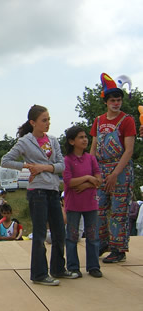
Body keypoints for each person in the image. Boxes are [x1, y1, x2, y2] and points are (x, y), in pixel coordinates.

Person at [1, 104, 78, 286]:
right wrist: (26, 166)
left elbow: (62, 165)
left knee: (59, 231)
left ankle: (59, 268)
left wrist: (43, 167)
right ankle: (39, 273)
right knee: (40, 234)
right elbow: (5, 161)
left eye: (49, 119)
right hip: (37, 191)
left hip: (53, 190)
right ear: (33, 122)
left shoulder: (53, 140)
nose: (48, 123)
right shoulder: (25, 142)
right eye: (44, 120)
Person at [90, 73, 136, 264]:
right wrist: (93, 171)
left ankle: (119, 248)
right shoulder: (99, 121)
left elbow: (129, 150)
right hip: (101, 169)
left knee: (119, 211)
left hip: (121, 171)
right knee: (99, 209)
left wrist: (116, 173)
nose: (116, 103)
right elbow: (93, 147)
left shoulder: (127, 120)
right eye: (113, 100)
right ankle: (103, 243)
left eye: (119, 100)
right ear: (106, 102)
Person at [63, 126, 103, 278]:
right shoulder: (67, 160)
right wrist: (88, 178)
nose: (85, 139)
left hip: (90, 203)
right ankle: (73, 267)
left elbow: (99, 179)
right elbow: (69, 182)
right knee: (72, 236)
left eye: (85, 136)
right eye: (80, 137)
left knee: (92, 235)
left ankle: (93, 266)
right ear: (72, 141)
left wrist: (87, 183)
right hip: (74, 203)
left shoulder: (91, 158)